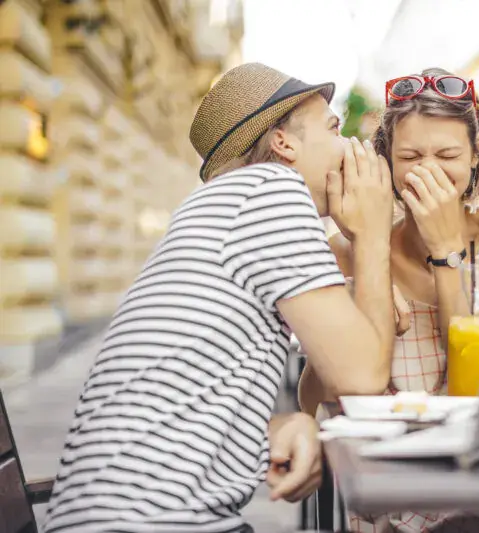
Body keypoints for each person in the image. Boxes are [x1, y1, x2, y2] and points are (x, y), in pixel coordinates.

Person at [42, 63, 396, 533]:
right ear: (283, 143)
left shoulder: (228, 203)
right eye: (334, 128)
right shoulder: (271, 193)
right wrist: (373, 235)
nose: (355, 147)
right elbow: (362, 382)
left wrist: (281, 426)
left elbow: (328, 376)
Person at [298, 68, 479, 533]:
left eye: (448, 154)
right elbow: (314, 400)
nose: (428, 170)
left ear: (477, 153)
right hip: (390, 492)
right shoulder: (349, 250)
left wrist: (447, 254)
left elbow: (476, 387)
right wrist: (360, 291)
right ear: (386, 164)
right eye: (410, 156)